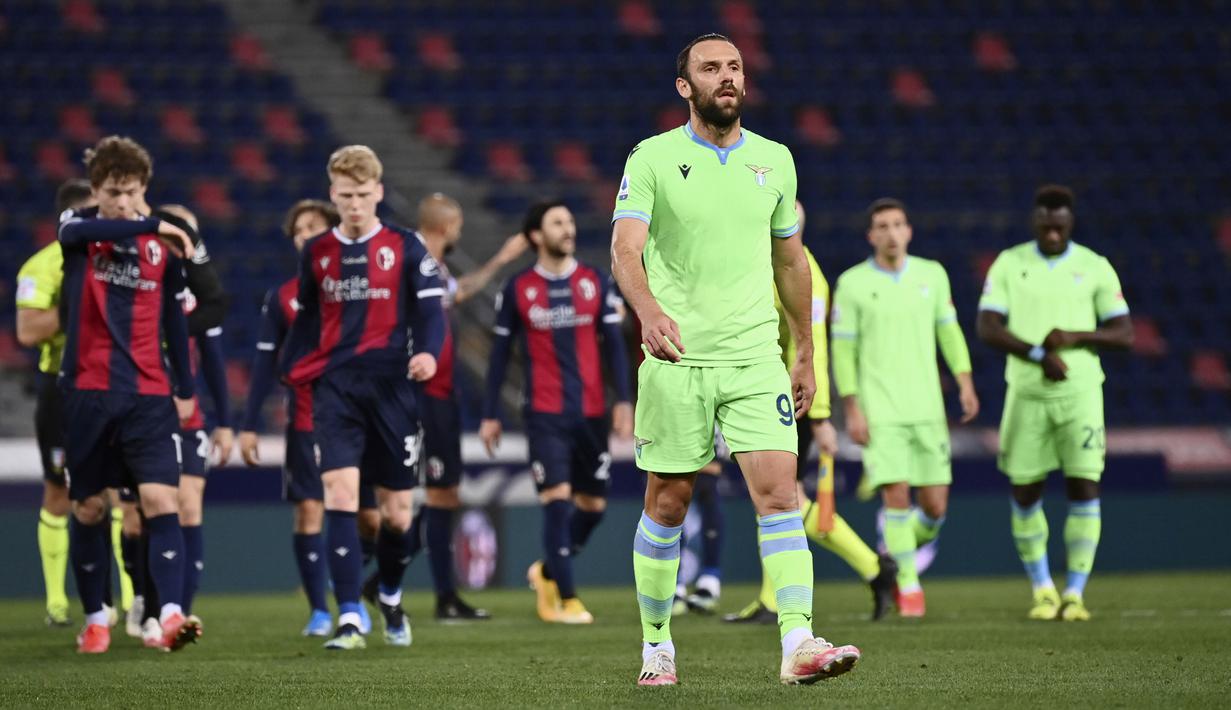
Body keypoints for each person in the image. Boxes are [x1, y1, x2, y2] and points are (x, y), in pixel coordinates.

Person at [611, 34, 860, 686]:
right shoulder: (652, 157)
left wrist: (804, 352)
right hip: (677, 358)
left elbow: (790, 263)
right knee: (668, 503)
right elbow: (625, 250)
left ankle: (797, 641)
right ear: (684, 86)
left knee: (779, 496)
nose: (726, 77)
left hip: (754, 359)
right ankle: (657, 645)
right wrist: (648, 312)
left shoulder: (775, 160)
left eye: (734, 67)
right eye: (710, 68)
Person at [281, 145, 446, 650]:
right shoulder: (317, 252)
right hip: (336, 389)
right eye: (345, 195)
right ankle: (349, 616)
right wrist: (291, 368)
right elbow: (307, 319)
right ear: (333, 194)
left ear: (378, 192)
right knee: (340, 496)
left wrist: (429, 353)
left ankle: (389, 593)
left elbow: (431, 313)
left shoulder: (406, 245)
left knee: (396, 515)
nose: (354, 204)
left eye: (362, 195)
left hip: (392, 388)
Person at [57, 135, 200, 653]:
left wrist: (185, 387)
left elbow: (175, 323)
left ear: (145, 188)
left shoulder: (163, 250)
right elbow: (83, 228)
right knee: (88, 507)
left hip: (148, 393)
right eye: (113, 192)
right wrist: (152, 222)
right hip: (88, 390)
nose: (123, 201)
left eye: (132, 191)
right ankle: (97, 618)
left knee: (162, 500)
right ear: (96, 190)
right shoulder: (78, 230)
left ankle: (170, 614)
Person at [725, 200, 897, 624]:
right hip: (764, 392)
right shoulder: (765, 264)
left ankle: (870, 569)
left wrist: (819, 418)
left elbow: (811, 345)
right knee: (776, 497)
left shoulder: (805, 273)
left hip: (791, 399)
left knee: (781, 498)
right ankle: (863, 573)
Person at [976, 185, 1132, 622]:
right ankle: (1043, 589)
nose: (1052, 232)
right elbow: (987, 326)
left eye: (1059, 225)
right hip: (1026, 394)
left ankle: (1075, 593)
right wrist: (1038, 354)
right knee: (1025, 490)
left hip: (1081, 394)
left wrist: (1074, 336)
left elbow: (1124, 333)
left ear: (1069, 222)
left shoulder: (1094, 266)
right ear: (1035, 220)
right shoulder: (1010, 263)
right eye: (1045, 224)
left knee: (1084, 485)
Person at [480, 200, 632, 625]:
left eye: (570, 221)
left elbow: (614, 346)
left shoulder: (595, 282)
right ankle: (567, 598)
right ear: (536, 235)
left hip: (591, 411)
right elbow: (499, 356)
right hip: (544, 414)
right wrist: (490, 412)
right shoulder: (518, 289)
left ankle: (546, 571)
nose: (568, 229)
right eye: (557, 223)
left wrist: (624, 400)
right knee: (557, 501)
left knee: (593, 507)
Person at [377, 192, 526, 621]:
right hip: (420, 395)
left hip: (440, 394)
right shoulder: (411, 265)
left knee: (445, 495)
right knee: (422, 496)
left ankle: (415, 590)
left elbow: (459, 292)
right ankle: (407, 589)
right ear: (447, 227)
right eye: (458, 225)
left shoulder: (434, 269)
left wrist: (501, 260)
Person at [831, 198, 979, 618]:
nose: (892, 233)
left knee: (934, 508)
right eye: (883, 226)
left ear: (909, 231)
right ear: (871, 235)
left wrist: (965, 382)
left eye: (898, 224)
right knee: (895, 495)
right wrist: (852, 409)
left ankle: (896, 553)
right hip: (881, 410)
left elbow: (949, 333)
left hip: (927, 408)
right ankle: (909, 587)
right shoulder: (853, 284)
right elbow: (843, 352)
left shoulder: (932, 275)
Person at [241, 199, 362, 637]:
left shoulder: (360, 286)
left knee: (369, 515)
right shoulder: (283, 297)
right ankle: (320, 610)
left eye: (314, 227)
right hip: (308, 420)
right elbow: (264, 362)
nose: (306, 236)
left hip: (358, 416)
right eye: (299, 230)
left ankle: (361, 593)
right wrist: (249, 424)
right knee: (310, 509)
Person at [16, 179, 105, 627]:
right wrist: (73, 305)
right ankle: (56, 600)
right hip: (62, 387)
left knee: (119, 491)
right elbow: (28, 330)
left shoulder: (117, 259)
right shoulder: (43, 265)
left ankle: (129, 601)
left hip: (111, 381)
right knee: (59, 489)